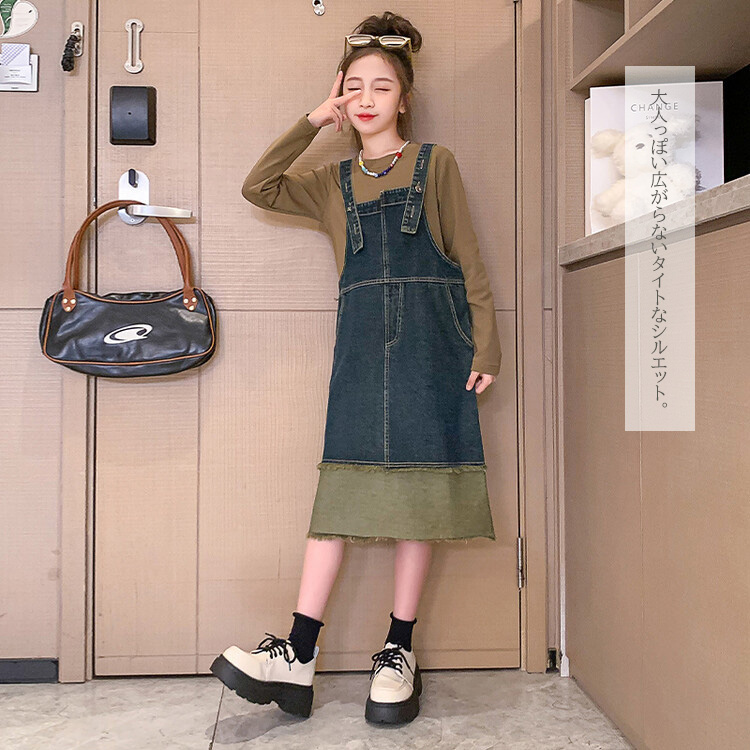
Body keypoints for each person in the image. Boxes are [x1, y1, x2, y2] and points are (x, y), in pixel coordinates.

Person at [210, 10, 502, 726]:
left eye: (382, 86)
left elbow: (468, 261)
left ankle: (398, 651)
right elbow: (259, 186)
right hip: (361, 356)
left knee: (419, 501)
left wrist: (488, 347)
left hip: (434, 351)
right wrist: (313, 120)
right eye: (353, 86)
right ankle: (297, 653)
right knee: (338, 497)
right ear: (340, 94)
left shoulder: (436, 164)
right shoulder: (330, 182)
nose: (366, 98)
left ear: (405, 99)